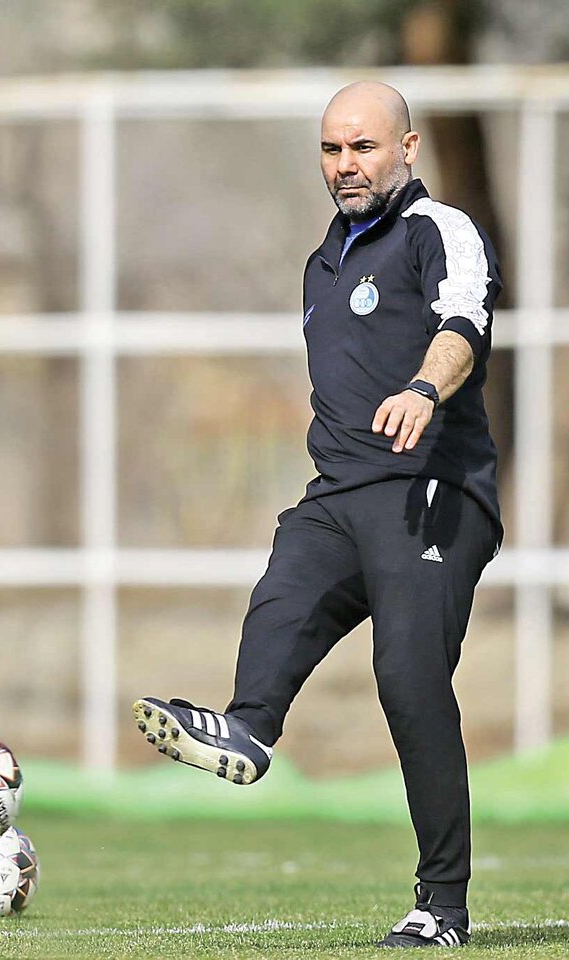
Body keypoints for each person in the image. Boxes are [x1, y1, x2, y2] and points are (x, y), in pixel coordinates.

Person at [134, 81, 502, 950]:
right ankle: (250, 729)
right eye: (332, 150)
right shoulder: (323, 261)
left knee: (409, 685)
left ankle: (441, 906)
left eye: (364, 148)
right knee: (285, 582)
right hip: (340, 494)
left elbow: (464, 323)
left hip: (432, 492)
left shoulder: (437, 231)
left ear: (406, 150)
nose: (346, 166)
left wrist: (423, 386)